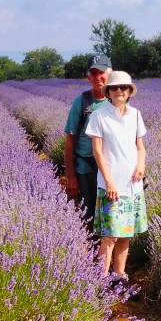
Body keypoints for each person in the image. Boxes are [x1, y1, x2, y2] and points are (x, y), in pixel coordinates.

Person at [84, 71, 147, 282]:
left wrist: (141, 165)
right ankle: (101, 281)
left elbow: (140, 146)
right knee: (109, 236)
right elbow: (97, 152)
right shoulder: (99, 115)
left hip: (133, 185)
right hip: (111, 185)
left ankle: (120, 276)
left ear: (129, 91)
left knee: (126, 235)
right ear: (108, 92)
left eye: (124, 87)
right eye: (114, 88)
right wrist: (109, 180)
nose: (119, 91)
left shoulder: (135, 114)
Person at [63, 54, 112, 228]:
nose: (98, 77)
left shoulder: (117, 100)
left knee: (110, 220)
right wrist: (70, 177)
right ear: (88, 76)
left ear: (110, 73)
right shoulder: (81, 102)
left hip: (111, 170)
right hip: (86, 169)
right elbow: (69, 142)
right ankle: (91, 254)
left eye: (102, 72)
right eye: (94, 73)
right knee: (89, 219)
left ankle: (107, 254)